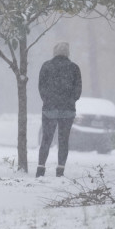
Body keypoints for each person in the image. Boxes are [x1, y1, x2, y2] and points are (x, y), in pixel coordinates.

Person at [36, 41, 82, 178]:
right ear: (68, 52)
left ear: (54, 52)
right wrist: (70, 100)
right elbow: (78, 90)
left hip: (49, 109)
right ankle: (60, 170)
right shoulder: (74, 68)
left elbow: (41, 87)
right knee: (63, 140)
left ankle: (40, 169)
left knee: (46, 139)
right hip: (67, 110)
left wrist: (48, 100)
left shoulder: (46, 66)